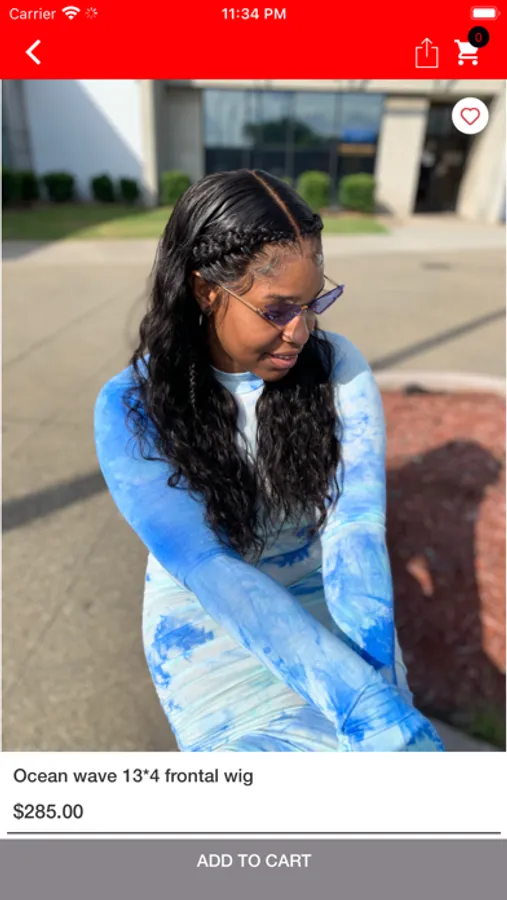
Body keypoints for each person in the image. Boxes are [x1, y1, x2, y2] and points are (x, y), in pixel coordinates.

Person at [94, 169, 444, 753]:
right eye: (277, 310)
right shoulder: (132, 406)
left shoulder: (334, 368)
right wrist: (359, 702)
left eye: (313, 304)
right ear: (206, 290)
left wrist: (380, 684)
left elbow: (355, 529)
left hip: (328, 599)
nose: (300, 332)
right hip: (211, 627)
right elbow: (208, 566)